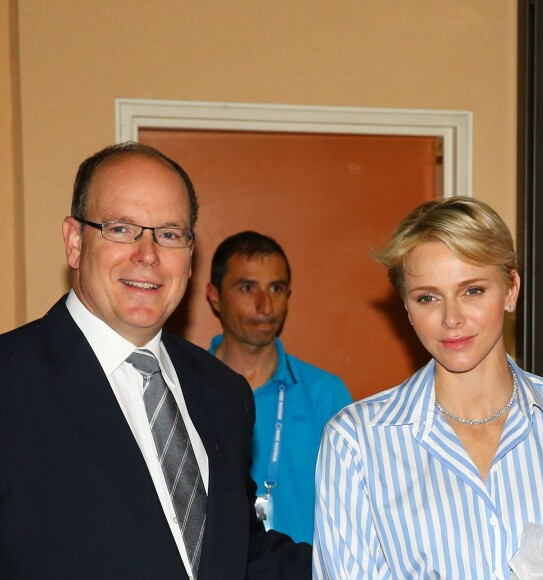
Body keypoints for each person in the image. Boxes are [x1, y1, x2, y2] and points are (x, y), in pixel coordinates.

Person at [0, 142, 311, 579]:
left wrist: (376, 559)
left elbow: (241, 556)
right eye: (122, 229)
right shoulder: (11, 383)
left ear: (189, 255)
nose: (147, 255)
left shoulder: (223, 393)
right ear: (74, 241)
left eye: (168, 234)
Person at [313, 196, 543, 579]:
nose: (451, 318)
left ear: (510, 290)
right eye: (428, 298)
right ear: (406, 307)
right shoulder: (356, 442)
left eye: (472, 291)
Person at [206, 231, 352, 544]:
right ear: (215, 296)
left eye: (277, 288)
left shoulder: (326, 395)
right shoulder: (185, 389)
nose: (266, 305)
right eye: (247, 288)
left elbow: (356, 511)